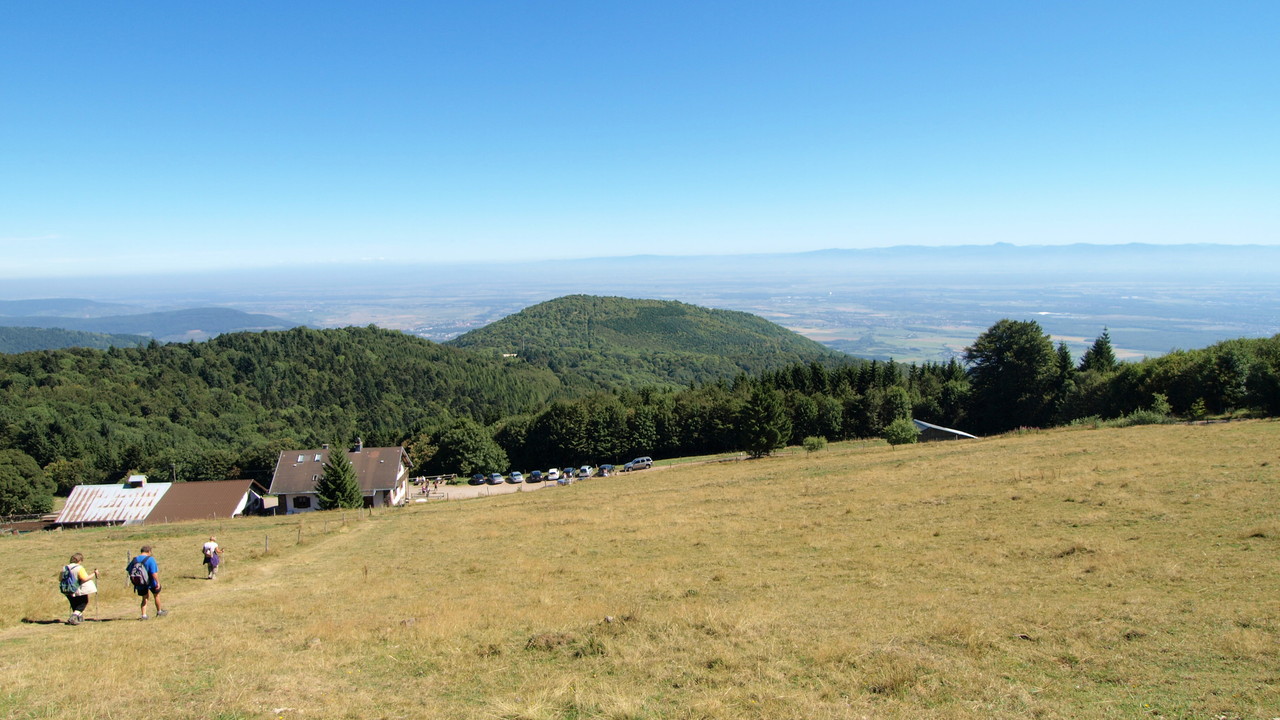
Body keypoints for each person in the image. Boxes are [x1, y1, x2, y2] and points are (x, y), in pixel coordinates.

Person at [126, 545, 166, 620]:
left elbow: (129, 570)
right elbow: (154, 573)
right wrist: (158, 582)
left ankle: (144, 615)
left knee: (144, 598)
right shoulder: (150, 559)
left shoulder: (135, 559)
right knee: (156, 595)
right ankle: (159, 611)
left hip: (140, 582)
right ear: (149, 551)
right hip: (151, 582)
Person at [61, 553, 99, 626]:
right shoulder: (79, 568)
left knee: (75, 604)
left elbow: (60, 579)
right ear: (80, 560)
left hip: (67, 589)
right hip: (77, 589)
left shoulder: (65, 568)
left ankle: (79, 618)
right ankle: (73, 617)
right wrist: (94, 573)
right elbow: (84, 578)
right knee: (83, 602)